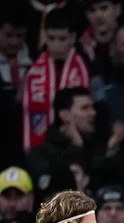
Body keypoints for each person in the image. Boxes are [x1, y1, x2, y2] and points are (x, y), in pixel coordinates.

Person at [22, 8, 91, 153]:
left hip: (75, 146)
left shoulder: (86, 67)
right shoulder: (34, 70)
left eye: (62, 39)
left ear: (73, 37)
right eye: (51, 38)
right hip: (40, 147)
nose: (56, 45)